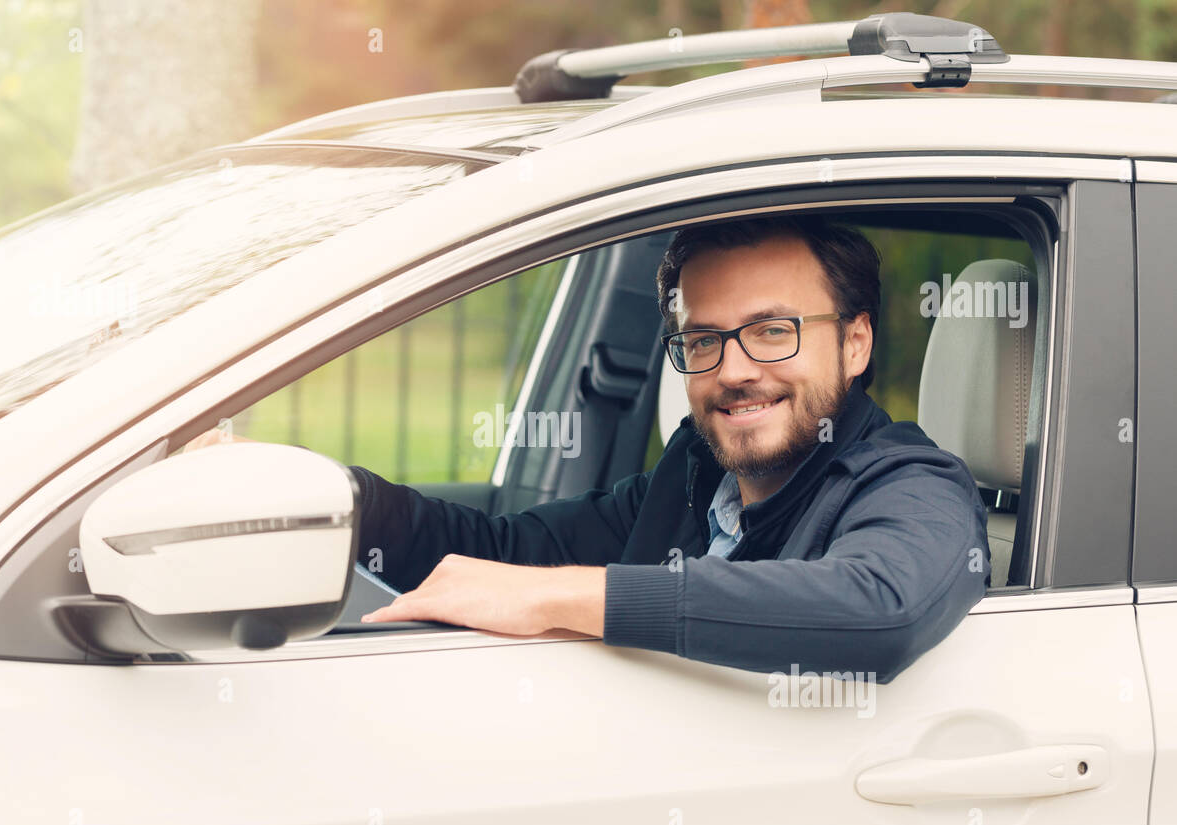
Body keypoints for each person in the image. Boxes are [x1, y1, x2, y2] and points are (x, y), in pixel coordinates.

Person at [188, 216, 990, 683]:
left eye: (774, 331)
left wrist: (563, 600)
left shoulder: (909, 485)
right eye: (703, 339)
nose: (735, 370)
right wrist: (324, 497)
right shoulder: (696, 475)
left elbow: (878, 611)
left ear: (855, 344)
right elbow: (506, 551)